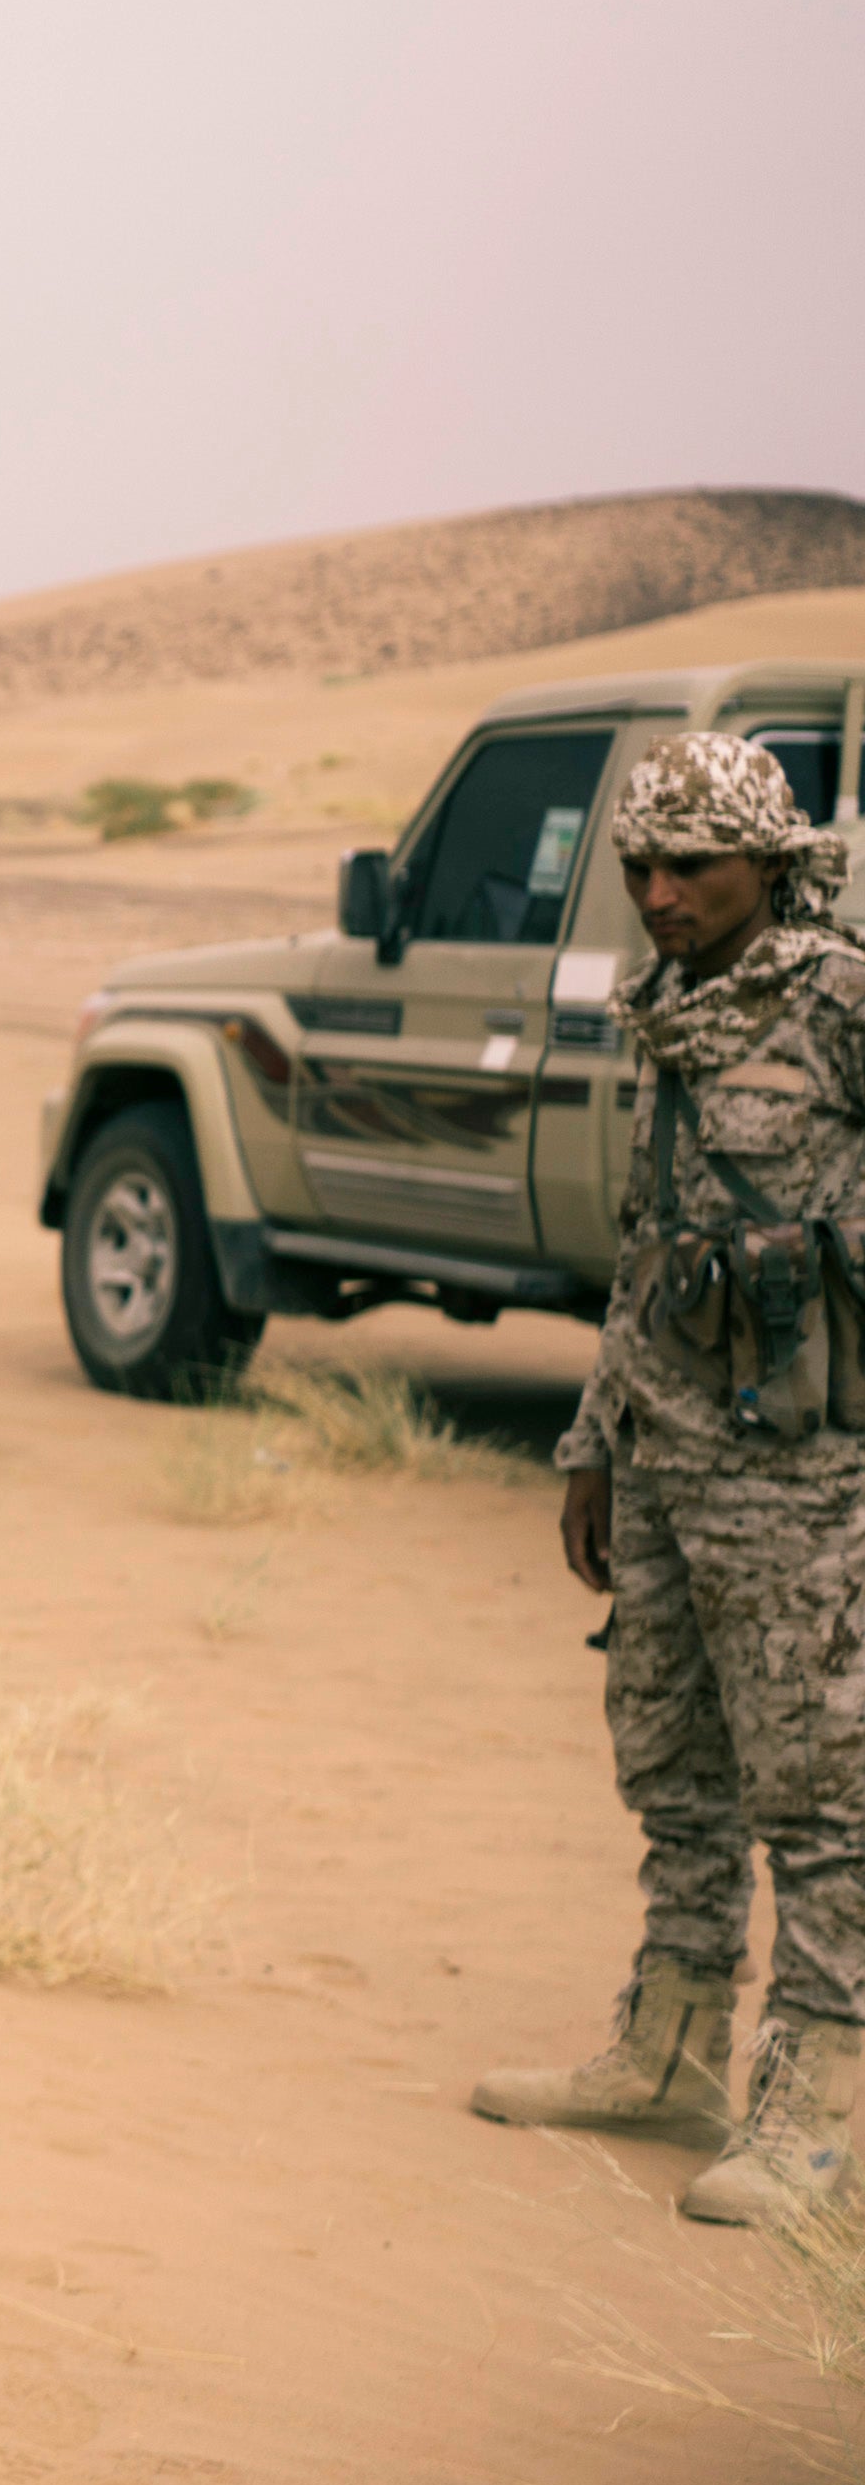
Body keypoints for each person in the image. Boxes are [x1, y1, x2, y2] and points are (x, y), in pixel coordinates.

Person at [473, 733, 865, 2227]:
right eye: (640, 865)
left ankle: (814, 2098)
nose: (658, 889)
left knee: (820, 1789)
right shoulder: (676, 1011)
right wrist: (593, 1441)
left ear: (768, 860)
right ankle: (674, 2042)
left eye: (691, 862)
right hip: (667, 1460)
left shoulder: (839, 1000)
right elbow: (647, 1248)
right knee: (676, 1768)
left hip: (805, 1478)